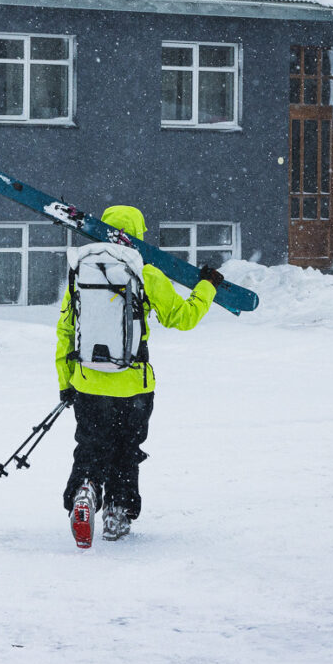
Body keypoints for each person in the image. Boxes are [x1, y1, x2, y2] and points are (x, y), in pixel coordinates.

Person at [56, 204, 221, 545]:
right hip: (134, 387)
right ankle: (117, 511)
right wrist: (207, 286)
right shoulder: (145, 273)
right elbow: (183, 318)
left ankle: (85, 491)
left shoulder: (80, 273)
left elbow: (65, 331)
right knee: (126, 450)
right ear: (137, 236)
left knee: (90, 446)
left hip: (88, 382)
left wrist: (66, 383)